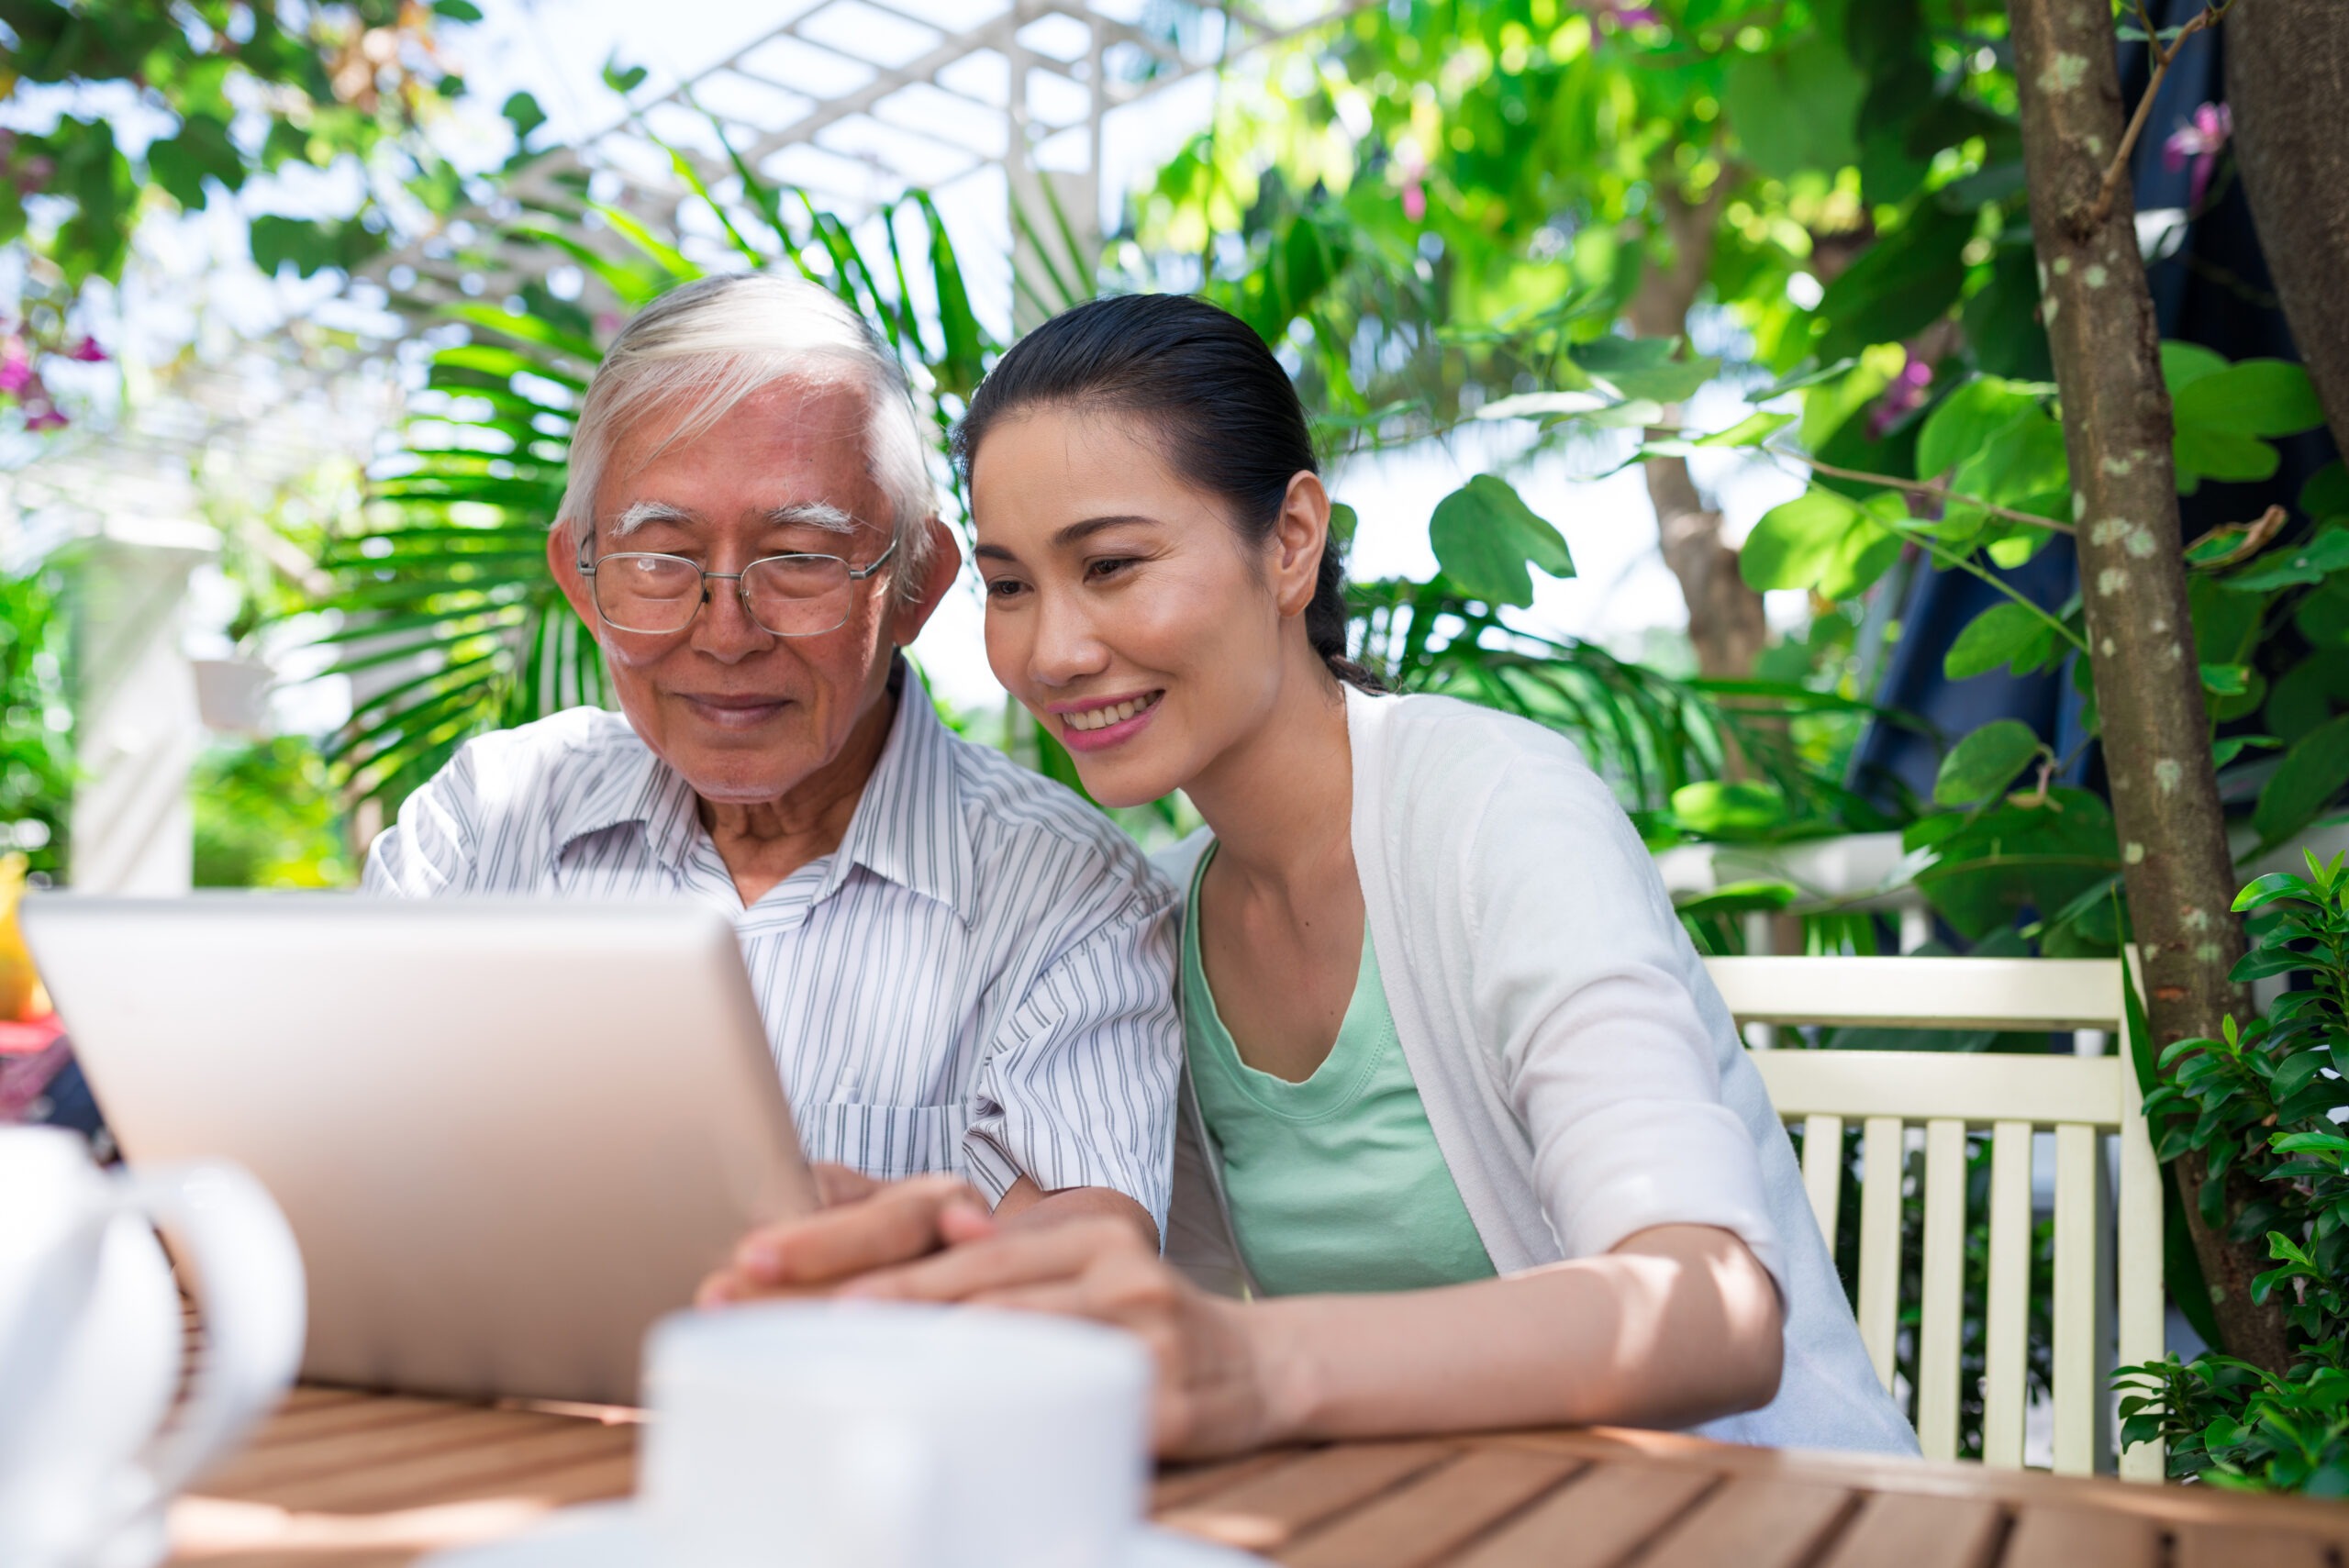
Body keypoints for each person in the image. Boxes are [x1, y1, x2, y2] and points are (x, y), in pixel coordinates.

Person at [701, 293, 1918, 1462]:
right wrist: (929, 1256)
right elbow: (1130, 1314)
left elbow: (1709, 1311)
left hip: (1758, 1520)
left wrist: (1261, 1361)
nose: (1054, 650)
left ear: (1289, 542)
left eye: (1113, 564)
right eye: (1011, 586)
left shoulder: (1494, 809)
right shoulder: (1163, 918)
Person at [363, 274, 1179, 1246]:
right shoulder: (482, 822)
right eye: (660, 559)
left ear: (916, 587)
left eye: (799, 557)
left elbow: (1082, 1272)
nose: (726, 631)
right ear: (580, 583)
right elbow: (322, 1146)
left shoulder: (1063, 897)